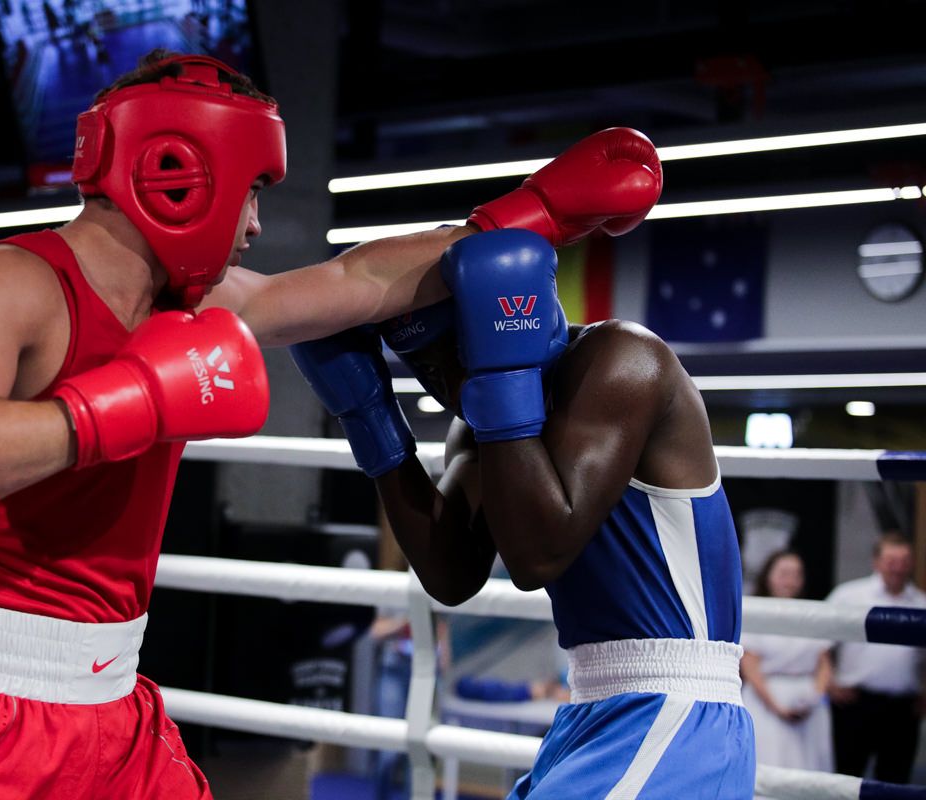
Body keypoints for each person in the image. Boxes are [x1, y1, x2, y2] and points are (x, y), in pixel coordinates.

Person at [0, 49, 661, 798]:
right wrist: (135, 400)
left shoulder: (193, 304)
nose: (258, 223)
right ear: (181, 173)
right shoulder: (4, 285)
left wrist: (527, 216)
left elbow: (355, 280)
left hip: (111, 704)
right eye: (254, 189)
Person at [291, 227, 756, 795]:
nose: (445, 384)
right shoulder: (483, 424)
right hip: (593, 707)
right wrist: (371, 418)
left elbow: (538, 556)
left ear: (504, 321)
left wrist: (501, 377)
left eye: (454, 354)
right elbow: (451, 573)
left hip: (677, 709)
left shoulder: (622, 360)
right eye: (424, 370)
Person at [826, 532, 926, 784]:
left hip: (903, 708)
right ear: (877, 562)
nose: (898, 567)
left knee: (895, 781)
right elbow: (819, 644)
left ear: (912, 563)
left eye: (904, 561)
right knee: (846, 779)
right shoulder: (849, 596)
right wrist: (829, 683)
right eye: (891, 561)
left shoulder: (921, 602)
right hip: (854, 703)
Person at [739, 550, 833, 771]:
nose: (789, 581)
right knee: (770, 761)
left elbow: (824, 663)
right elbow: (750, 667)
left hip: (807, 700)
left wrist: (814, 698)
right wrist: (778, 707)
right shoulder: (754, 612)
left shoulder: (813, 614)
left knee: (810, 766)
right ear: (768, 576)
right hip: (766, 701)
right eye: (783, 574)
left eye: (795, 574)